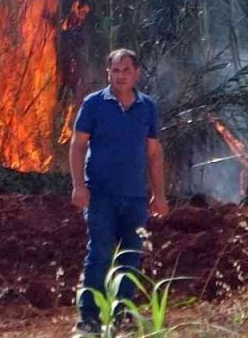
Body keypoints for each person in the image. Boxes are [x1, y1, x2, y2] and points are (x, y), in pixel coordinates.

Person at [69, 48, 169, 336]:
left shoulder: (147, 107)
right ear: (108, 73)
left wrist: (159, 194)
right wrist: (78, 185)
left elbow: (153, 153)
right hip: (99, 195)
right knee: (99, 254)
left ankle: (121, 316)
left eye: (127, 70)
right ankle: (88, 319)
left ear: (136, 73)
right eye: (116, 70)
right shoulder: (93, 105)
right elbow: (77, 146)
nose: (121, 76)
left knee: (130, 257)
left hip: (135, 196)